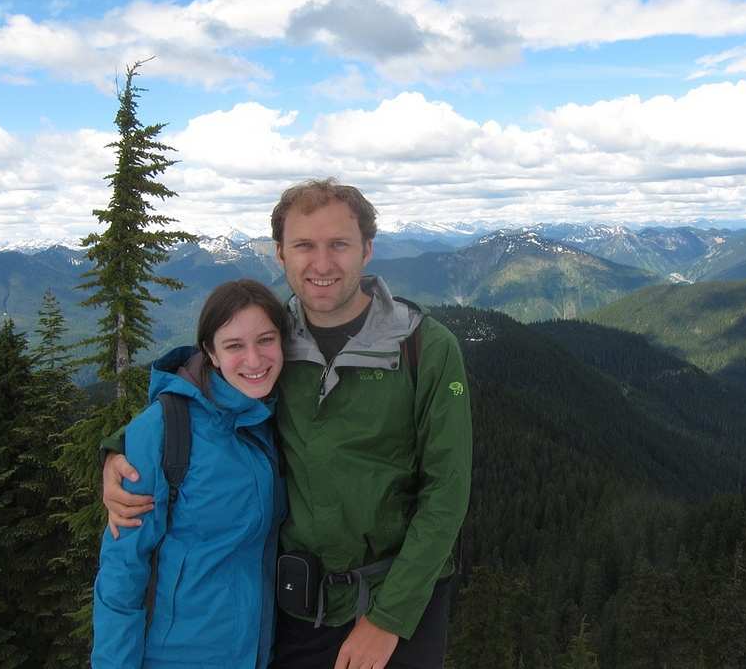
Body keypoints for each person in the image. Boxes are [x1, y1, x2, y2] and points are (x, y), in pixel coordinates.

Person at [103, 178, 473, 669]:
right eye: (304, 245)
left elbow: (446, 493)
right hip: (298, 605)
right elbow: (200, 383)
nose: (321, 264)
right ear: (280, 253)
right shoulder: (270, 338)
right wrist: (118, 449)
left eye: (338, 244)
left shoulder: (424, 345)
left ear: (367, 249)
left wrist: (388, 619)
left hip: (400, 599)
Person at [92, 279, 288, 669]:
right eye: (234, 346)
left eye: (266, 340)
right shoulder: (166, 429)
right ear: (210, 353)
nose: (254, 360)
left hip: (256, 653)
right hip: (175, 656)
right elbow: (122, 570)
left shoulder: (272, 418)